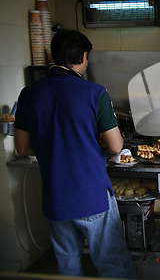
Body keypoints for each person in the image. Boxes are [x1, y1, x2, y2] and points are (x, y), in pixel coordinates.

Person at [14, 30, 136, 278]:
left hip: (55, 197)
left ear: (53, 55)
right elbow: (115, 146)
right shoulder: (95, 93)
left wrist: (55, 146)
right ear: (83, 56)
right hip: (91, 196)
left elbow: (23, 148)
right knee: (112, 262)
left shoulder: (29, 94)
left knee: (67, 264)